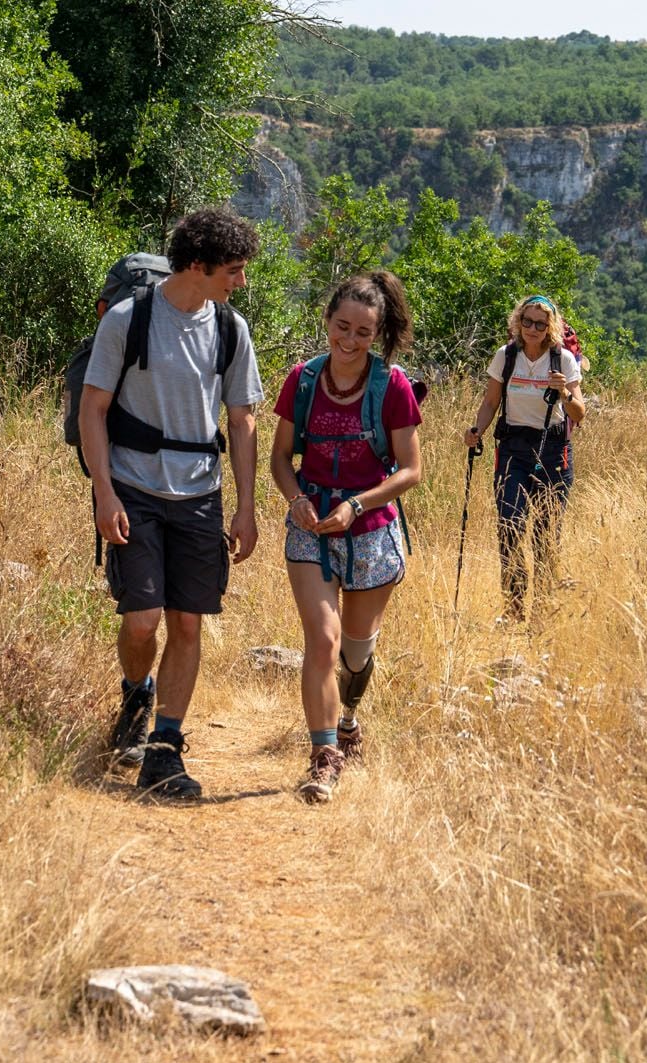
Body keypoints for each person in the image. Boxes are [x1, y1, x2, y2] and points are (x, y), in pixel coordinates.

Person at [81, 209, 264, 801]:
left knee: (187, 622)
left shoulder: (232, 331)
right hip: (133, 490)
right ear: (196, 265)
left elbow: (242, 421)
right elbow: (93, 410)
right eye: (232, 271)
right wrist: (104, 493)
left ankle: (163, 749)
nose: (240, 282)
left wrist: (245, 507)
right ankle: (136, 694)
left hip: (200, 498)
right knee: (141, 622)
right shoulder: (129, 321)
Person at [269, 272, 423, 803]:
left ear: (377, 334)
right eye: (342, 327)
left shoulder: (392, 386)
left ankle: (350, 718)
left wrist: (357, 504)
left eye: (362, 332)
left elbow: (410, 470)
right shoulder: (303, 380)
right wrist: (298, 502)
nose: (349, 341)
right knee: (323, 640)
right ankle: (325, 755)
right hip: (310, 526)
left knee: (356, 655)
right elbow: (279, 458)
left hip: (372, 529)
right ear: (327, 320)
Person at [462, 295, 586, 623]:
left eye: (540, 324)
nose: (532, 329)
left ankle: (542, 616)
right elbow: (490, 402)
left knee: (545, 536)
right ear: (518, 322)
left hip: (553, 451)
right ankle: (515, 611)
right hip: (513, 449)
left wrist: (565, 393)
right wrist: (478, 429)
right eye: (527, 321)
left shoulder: (564, 362)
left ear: (550, 328)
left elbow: (579, 413)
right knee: (510, 528)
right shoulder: (507, 356)